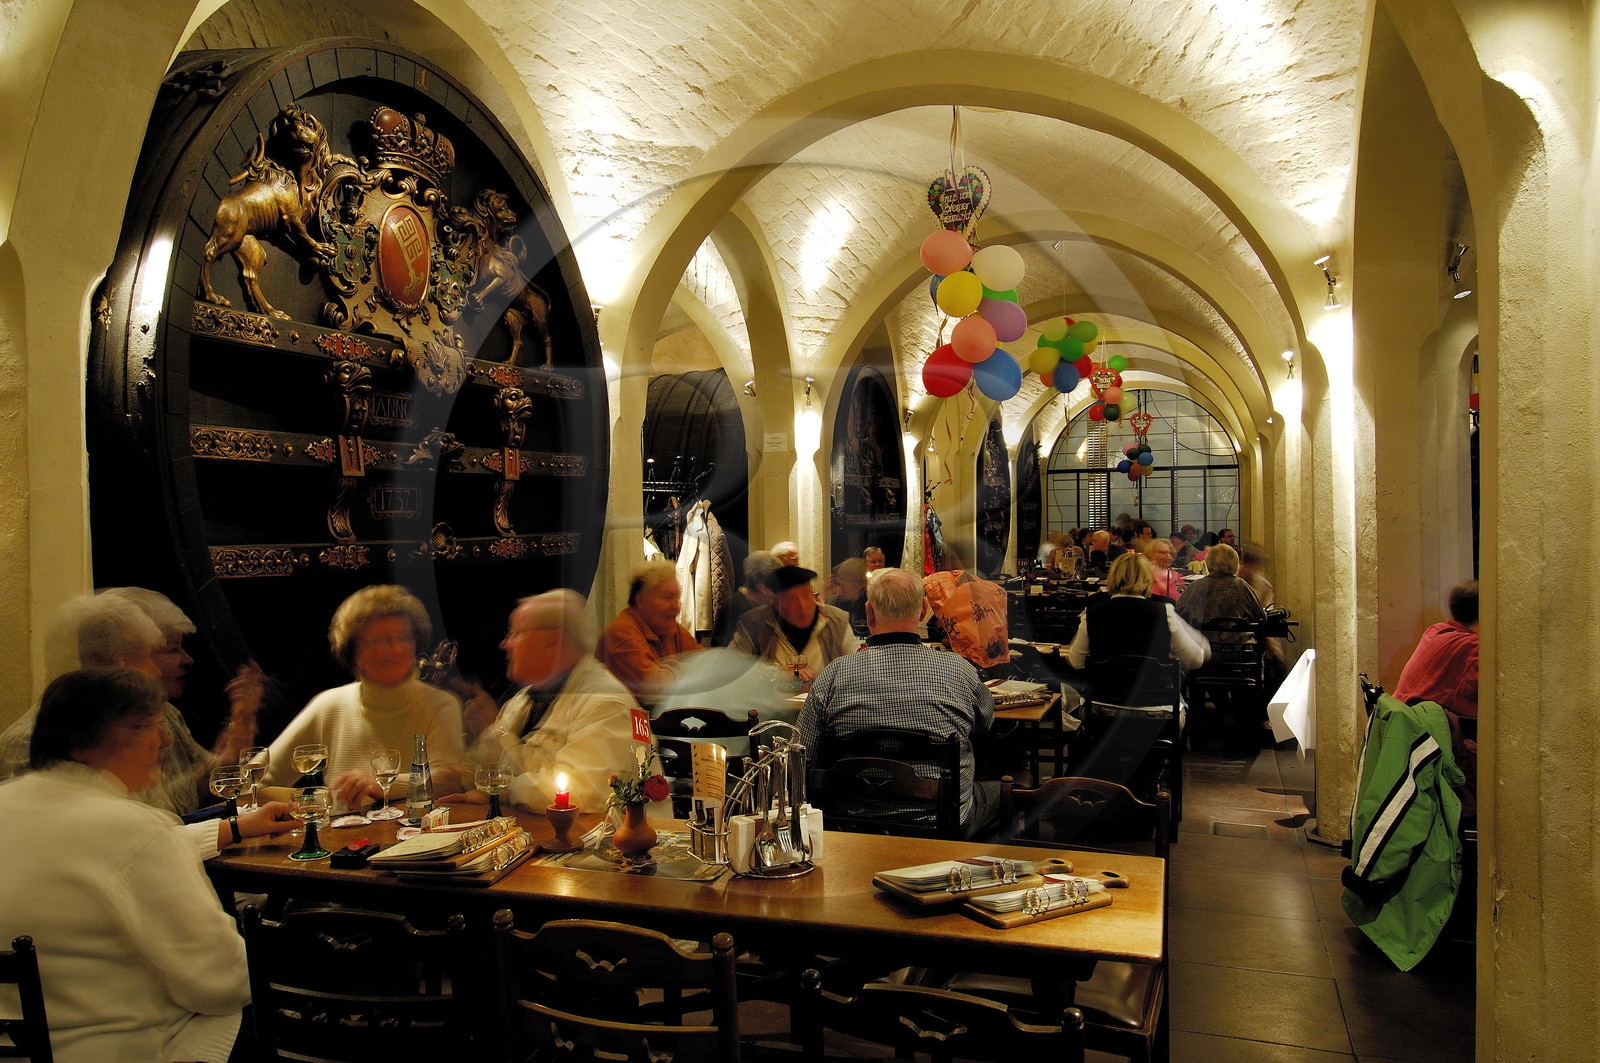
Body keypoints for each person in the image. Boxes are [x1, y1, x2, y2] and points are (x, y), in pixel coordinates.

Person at [0, 668, 255, 1062]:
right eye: (142, 727)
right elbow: (222, 983)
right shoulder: (135, 828)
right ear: (77, 743)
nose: (165, 741)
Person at [800, 568, 1000, 838]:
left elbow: (804, 751)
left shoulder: (834, 675)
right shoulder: (959, 671)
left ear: (869, 613)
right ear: (922, 610)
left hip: (854, 821)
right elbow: (985, 724)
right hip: (943, 820)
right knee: (1001, 792)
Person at [262, 585, 467, 810]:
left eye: (402, 637)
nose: (393, 649)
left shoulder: (440, 704)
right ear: (352, 652)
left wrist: (377, 784)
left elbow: (449, 782)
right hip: (338, 839)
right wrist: (311, 804)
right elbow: (259, 780)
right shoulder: (329, 705)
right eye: (377, 641)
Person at [458, 589, 645, 811]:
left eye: (515, 633)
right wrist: (446, 777)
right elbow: (475, 770)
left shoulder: (607, 703)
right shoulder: (523, 700)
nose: (505, 644)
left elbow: (582, 792)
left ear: (552, 642)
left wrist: (500, 790)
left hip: (606, 840)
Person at [98, 586, 264, 815]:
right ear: (121, 660)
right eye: (172, 650)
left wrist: (239, 728)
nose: (188, 659)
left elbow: (193, 791)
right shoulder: (86, 727)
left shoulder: (166, 712)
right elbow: (156, 816)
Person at [1394, 581, 1479, 816]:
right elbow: (1489, 704)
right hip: (1433, 749)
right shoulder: (1474, 648)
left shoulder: (1436, 631)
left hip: (1407, 740)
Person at [1066, 552, 1209, 678]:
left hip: (1103, 701)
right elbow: (1195, 660)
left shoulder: (1092, 612)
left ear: (1113, 576)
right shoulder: (1164, 612)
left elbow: (1075, 661)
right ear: (1147, 578)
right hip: (1156, 702)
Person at [730, 565, 859, 685]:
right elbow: (733, 668)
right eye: (791, 599)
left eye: (807, 596)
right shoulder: (753, 624)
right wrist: (779, 675)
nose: (803, 607)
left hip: (825, 707)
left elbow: (858, 667)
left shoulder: (836, 620)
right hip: (773, 707)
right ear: (776, 601)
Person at [597, 560, 703, 696]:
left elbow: (708, 667)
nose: (676, 606)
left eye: (677, 598)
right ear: (640, 600)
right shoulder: (621, 635)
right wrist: (687, 668)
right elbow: (659, 688)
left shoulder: (670, 629)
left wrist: (669, 667)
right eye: (667, 597)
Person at [922, 545, 1009, 673]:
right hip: (992, 661)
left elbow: (957, 636)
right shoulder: (988, 588)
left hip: (972, 662)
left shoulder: (945, 588)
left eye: (950, 558)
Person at [821, 557, 870, 637]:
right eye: (838, 582)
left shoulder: (871, 605)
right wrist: (822, 596)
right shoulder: (834, 603)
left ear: (857, 582)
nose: (839, 587)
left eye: (843, 581)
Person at [1144, 536, 1186, 602]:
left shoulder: (1176, 576)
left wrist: (1158, 581)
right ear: (1151, 554)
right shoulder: (1142, 573)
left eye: (1170, 553)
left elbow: (1177, 599)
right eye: (1163, 553)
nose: (1168, 556)